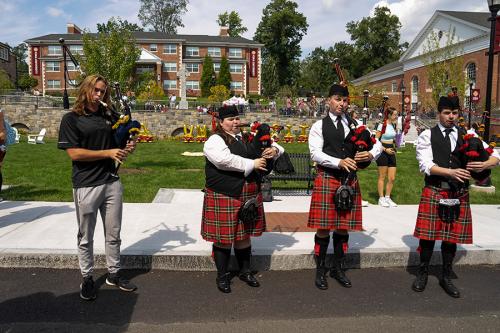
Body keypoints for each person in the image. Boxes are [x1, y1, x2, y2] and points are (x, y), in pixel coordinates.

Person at [58, 74, 138, 301]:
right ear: (85, 90)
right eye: (95, 90)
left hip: (111, 181)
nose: (99, 94)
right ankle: (87, 277)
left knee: (113, 233)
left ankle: (114, 273)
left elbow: (118, 143)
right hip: (86, 184)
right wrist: (108, 153)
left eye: (102, 91)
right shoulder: (71, 119)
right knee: (86, 236)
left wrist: (129, 145)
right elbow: (74, 153)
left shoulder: (108, 115)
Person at [412, 95, 499, 298]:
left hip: (459, 193)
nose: (451, 117)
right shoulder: (427, 135)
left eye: (454, 113)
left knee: (451, 238)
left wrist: (485, 164)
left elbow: (496, 155)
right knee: (428, 236)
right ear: (439, 114)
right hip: (435, 189)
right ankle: (422, 273)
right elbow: (425, 165)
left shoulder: (468, 134)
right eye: (446, 113)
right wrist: (449, 172)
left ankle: (446, 275)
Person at [201, 105, 284, 293]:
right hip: (225, 193)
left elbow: (277, 146)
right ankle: (222, 276)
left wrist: (274, 151)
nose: (235, 122)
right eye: (230, 119)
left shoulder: (247, 137)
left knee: (244, 235)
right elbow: (223, 160)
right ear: (221, 123)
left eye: (237, 118)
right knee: (223, 238)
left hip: (249, 193)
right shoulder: (215, 140)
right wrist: (252, 163)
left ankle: (245, 272)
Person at [308, 84, 382, 290]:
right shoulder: (318, 126)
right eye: (337, 99)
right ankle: (321, 270)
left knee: (342, 227)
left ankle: (338, 269)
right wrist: (338, 162)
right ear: (328, 100)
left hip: (349, 181)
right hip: (328, 177)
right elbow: (315, 153)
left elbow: (377, 144)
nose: (341, 103)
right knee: (324, 228)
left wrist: (370, 154)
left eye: (345, 100)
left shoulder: (355, 123)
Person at [375, 107, 399, 207]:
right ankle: (381, 198)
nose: (396, 116)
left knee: (392, 178)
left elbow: (393, 138)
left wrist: (395, 143)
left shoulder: (393, 125)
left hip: (391, 150)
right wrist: (385, 149)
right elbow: (376, 140)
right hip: (383, 151)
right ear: (389, 115)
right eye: (394, 114)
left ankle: (387, 198)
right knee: (382, 176)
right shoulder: (382, 125)